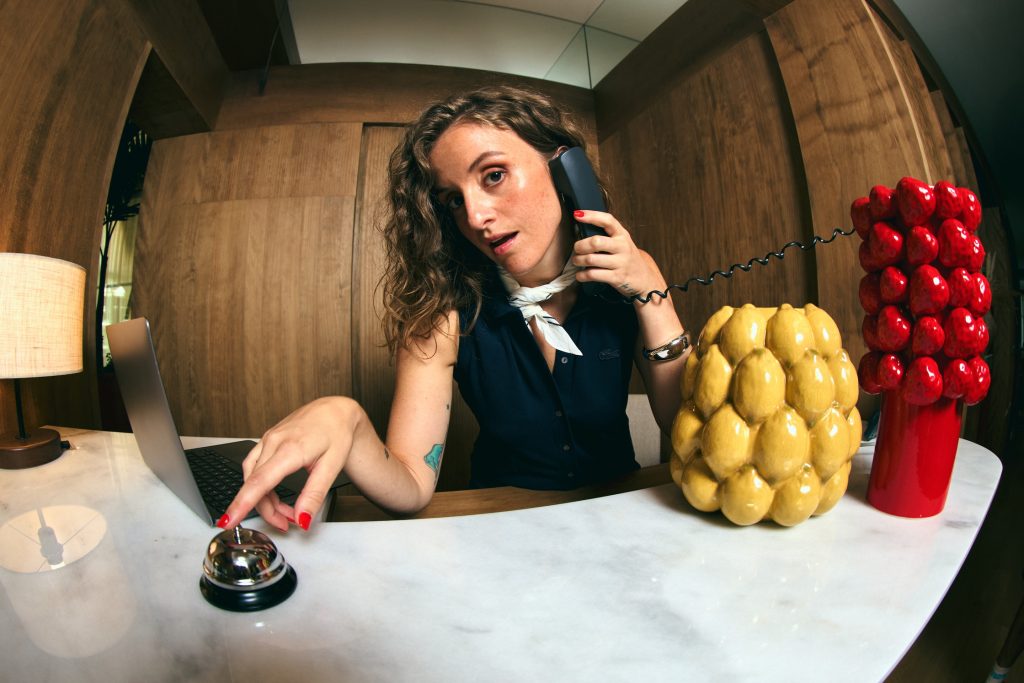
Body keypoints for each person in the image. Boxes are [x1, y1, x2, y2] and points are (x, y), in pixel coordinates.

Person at [219, 85, 689, 532]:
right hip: (500, 527)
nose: (476, 217)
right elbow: (411, 486)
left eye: (494, 175)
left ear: (566, 170)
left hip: (621, 517)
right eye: (453, 201)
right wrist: (348, 420)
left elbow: (685, 429)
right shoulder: (443, 313)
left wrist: (654, 294)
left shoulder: (630, 280)